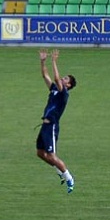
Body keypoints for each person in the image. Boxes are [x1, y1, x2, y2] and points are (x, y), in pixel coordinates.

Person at [35, 49, 77, 194]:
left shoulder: (64, 93)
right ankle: (59, 170)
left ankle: (69, 177)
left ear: (69, 85)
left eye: (66, 79)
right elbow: (45, 76)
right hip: (44, 126)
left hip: (51, 126)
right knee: (40, 153)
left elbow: (56, 78)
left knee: (52, 155)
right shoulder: (54, 90)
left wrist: (54, 61)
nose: (63, 79)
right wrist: (43, 61)